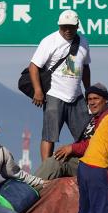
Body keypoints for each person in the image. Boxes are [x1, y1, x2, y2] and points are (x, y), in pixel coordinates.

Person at [28, 10, 91, 161]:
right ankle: (46, 169)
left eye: (71, 27)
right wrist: (38, 90)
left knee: (86, 134)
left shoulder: (83, 42)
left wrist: (88, 91)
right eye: (64, 27)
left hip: (76, 96)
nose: (67, 30)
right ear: (59, 26)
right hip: (54, 94)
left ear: (77, 26)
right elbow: (33, 66)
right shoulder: (49, 41)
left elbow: (86, 67)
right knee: (49, 135)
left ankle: (86, 165)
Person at [35, 83, 108, 180]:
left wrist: (71, 148)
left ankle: (30, 186)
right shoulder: (95, 117)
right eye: (89, 99)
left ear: (105, 100)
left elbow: (98, 144)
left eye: (96, 99)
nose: (92, 102)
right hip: (87, 159)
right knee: (57, 156)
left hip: (97, 164)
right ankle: (34, 184)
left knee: (57, 161)